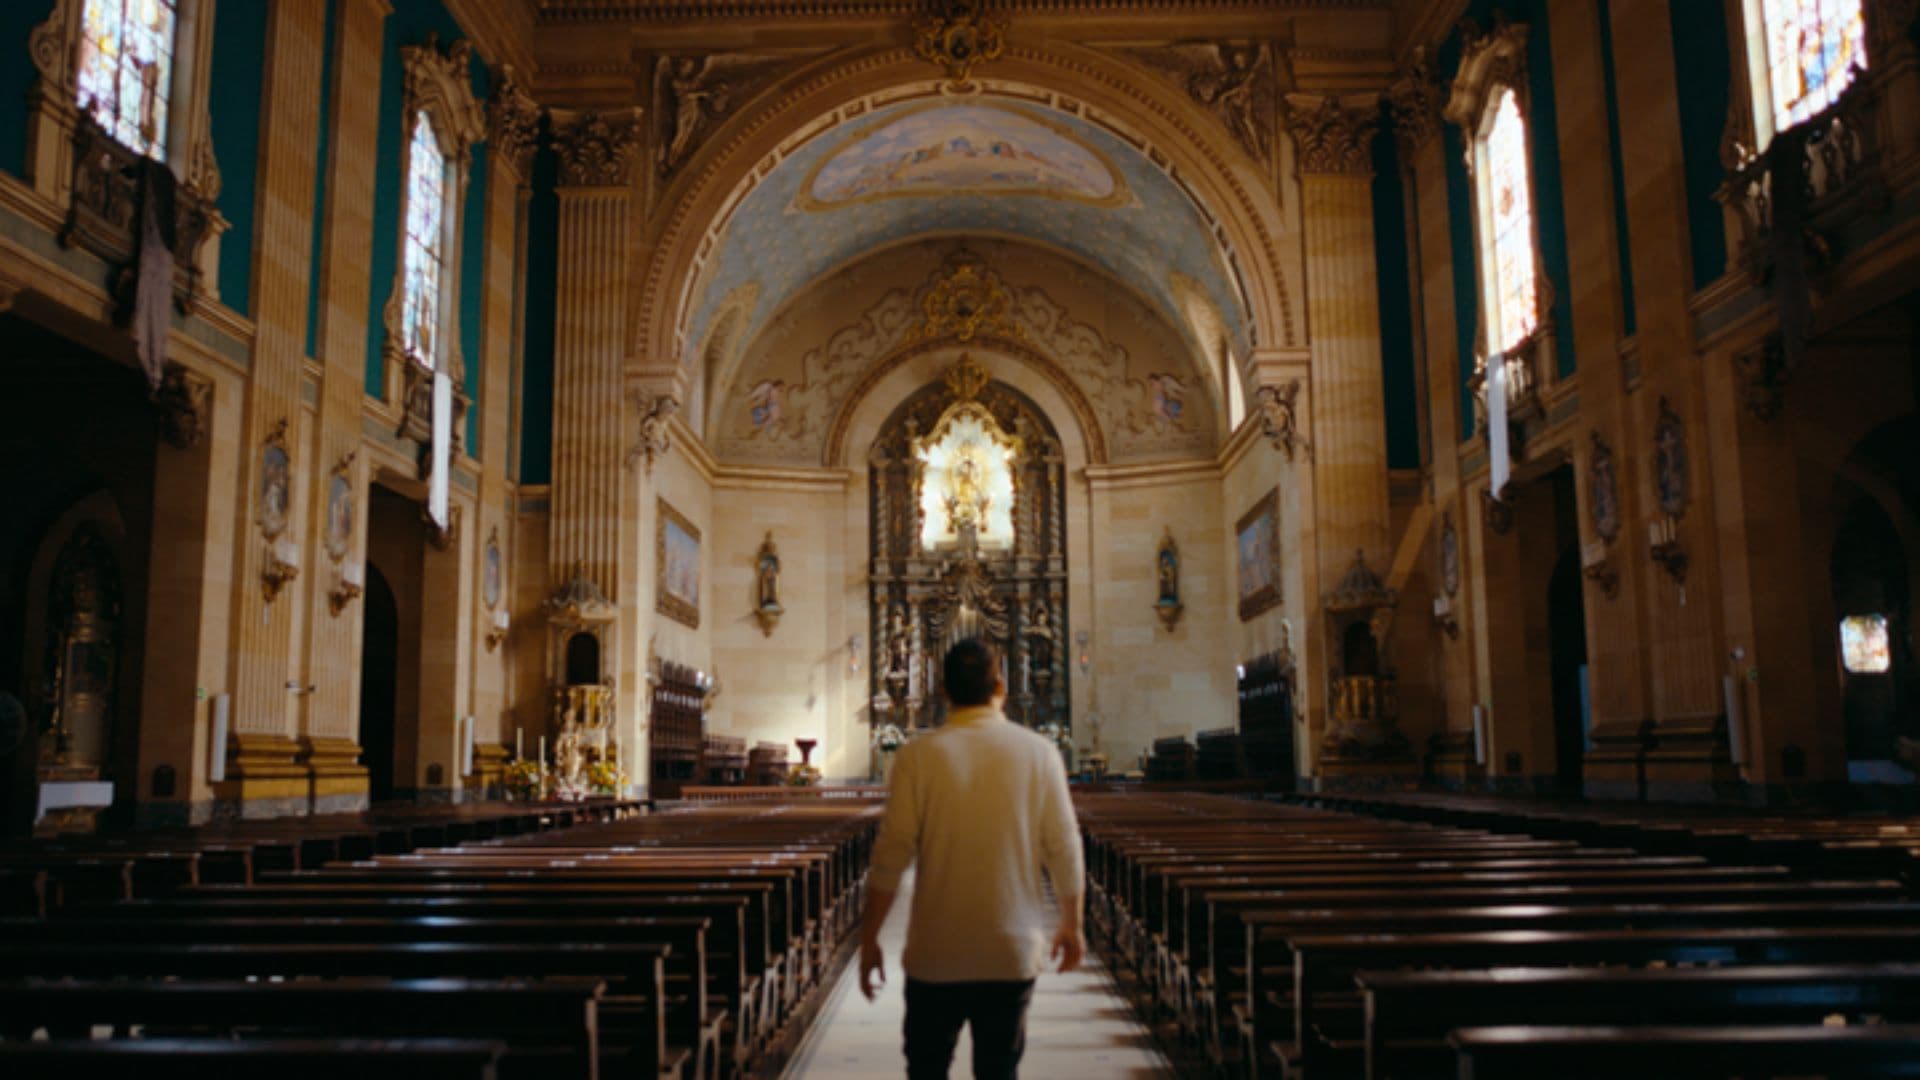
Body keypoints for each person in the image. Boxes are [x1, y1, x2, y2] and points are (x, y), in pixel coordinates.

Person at [860, 638, 1085, 1080]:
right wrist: (1071, 924)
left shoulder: (916, 756)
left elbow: (889, 858)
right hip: (1009, 949)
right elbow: (1064, 847)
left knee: (927, 1070)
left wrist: (869, 940)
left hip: (935, 953)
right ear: (999, 685)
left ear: (944, 690)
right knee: (999, 1072)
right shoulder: (1039, 753)